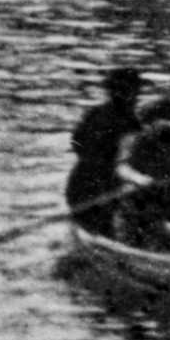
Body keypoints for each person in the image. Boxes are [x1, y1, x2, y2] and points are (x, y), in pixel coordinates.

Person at [65, 67, 145, 236]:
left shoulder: (94, 113)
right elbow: (128, 164)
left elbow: (76, 144)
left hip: (76, 186)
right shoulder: (131, 123)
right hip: (101, 191)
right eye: (136, 92)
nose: (138, 97)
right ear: (130, 93)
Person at [112, 98, 170, 253]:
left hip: (162, 206)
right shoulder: (134, 140)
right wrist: (139, 179)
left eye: (167, 120)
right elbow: (122, 168)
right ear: (149, 122)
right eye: (158, 120)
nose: (163, 124)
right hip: (134, 204)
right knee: (131, 237)